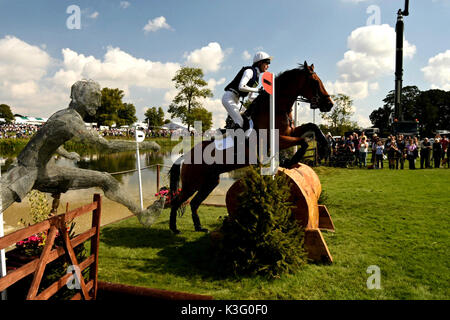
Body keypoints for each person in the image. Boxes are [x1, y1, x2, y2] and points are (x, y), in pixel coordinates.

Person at [1, 79, 160, 220]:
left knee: (106, 179)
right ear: (79, 97)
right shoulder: (70, 121)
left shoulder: (64, 115)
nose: (97, 103)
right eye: (94, 97)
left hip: (45, 169)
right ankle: (143, 215)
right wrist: (145, 145)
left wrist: (66, 154)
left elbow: (47, 141)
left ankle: (143, 215)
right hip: (27, 172)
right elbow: (106, 146)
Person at [222, 51, 272, 130]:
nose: (268, 66)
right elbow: (241, 87)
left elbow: (250, 97)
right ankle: (235, 141)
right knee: (240, 121)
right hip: (229, 97)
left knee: (248, 119)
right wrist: (258, 90)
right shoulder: (250, 71)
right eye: (266, 63)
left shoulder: (256, 78)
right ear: (259, 63)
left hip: (236, 100)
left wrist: (264, 99)